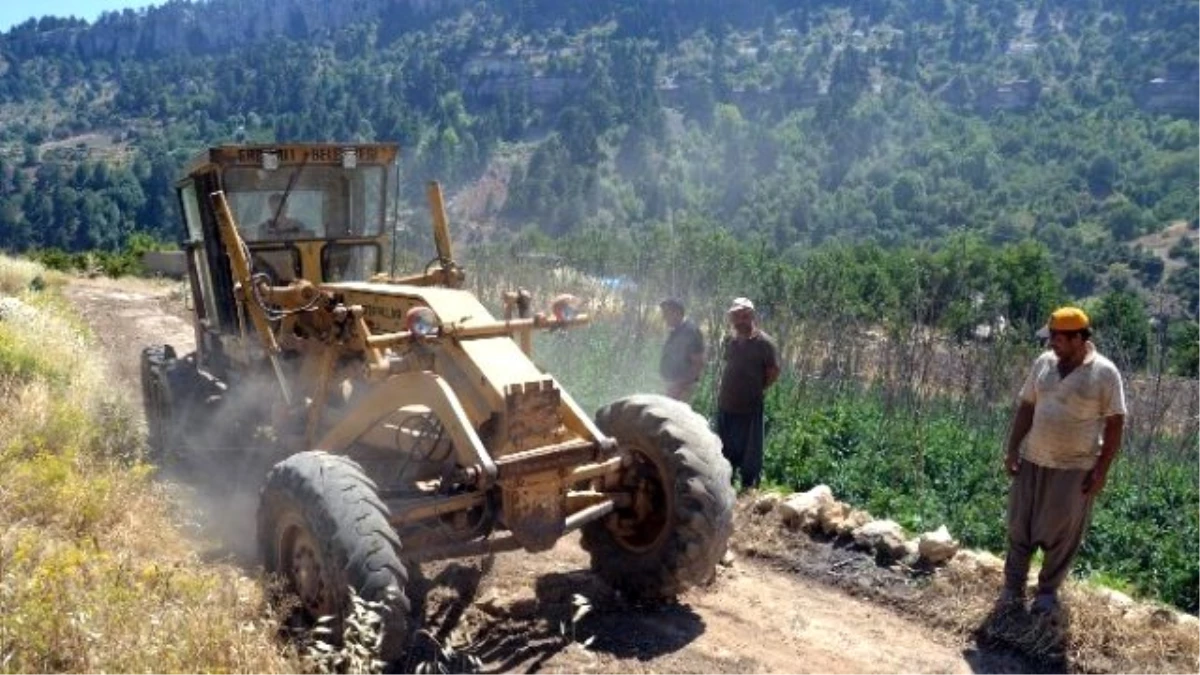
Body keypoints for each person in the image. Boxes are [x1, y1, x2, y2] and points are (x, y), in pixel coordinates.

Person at [1000, 307, 1126, 616]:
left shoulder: (1104, 373)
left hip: (1074, 467)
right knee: (1020, 526)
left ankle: (1046, 595)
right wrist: (1013, 448)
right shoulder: (1044, 364)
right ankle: (1012, 589)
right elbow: (1027, 407)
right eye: (1050, 337)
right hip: (1033, 459)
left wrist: (1101, 470)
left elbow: (1115, 423)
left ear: (1078, 338)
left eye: (1056, 338)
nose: (1050, 344)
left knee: (1061, 533)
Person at [716, 297, 780, 489]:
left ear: (751, 316)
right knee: (725, 447)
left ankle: (748, 487)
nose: (740, 320)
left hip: (750, 405)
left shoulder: (765, 343)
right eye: (736, 316)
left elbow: (773, 372)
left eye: (744, 315)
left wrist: (756, 388)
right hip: (726, 403)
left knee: (750, 451)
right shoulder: (729, 341)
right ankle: (725, 484)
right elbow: (727, 364)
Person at [658, 298, 705, 403]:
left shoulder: (691, 332)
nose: (663, 317)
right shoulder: (676, 331)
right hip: (672, 385)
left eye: (666, 313)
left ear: (677, 312)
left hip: (682, 389)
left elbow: (698, 363)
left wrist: (679, 386)